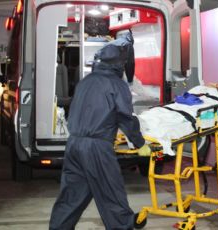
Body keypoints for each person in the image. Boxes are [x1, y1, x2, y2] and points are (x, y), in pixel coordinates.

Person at [49, 36, 152, 230]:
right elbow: (125, 117)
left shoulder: (85, 81)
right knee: (110, 191)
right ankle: (123, 225)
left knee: (72, 194)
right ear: (120, 65)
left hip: (74, 145)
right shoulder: (117, 85)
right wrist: (140, 144)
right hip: (97, 147)